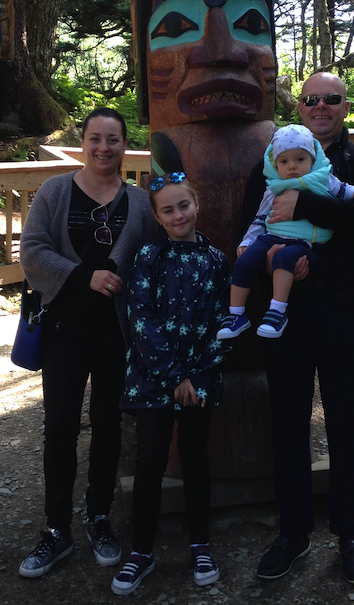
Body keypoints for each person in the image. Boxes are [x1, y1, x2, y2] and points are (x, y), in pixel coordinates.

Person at [241, 73, 354, 584]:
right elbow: (253, 232)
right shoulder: (269, 168)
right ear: (300, 106)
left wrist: (305, 203)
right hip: (285, 314)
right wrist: (270, 266)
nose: (321, 107)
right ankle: (293, 533)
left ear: (344, 106)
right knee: (287, 422)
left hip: (344, 308)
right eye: (312, 100)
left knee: (346, 420)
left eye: (331, 99)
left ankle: (351, 534)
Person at [17, 108, 157, 578]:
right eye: (95, 139)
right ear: (82, 143)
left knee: (108, 424)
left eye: (113, 139)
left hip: (116, 332)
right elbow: (32, 251)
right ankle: (56, 528)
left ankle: (99, 516)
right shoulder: (56, 192)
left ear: (123, 144)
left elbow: (156, 253)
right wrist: (84, 276)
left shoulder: (140, 201)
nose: (104, 148)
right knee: (59, 427)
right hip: (64, 329)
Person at [110, 172, 230, 596]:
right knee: (150, 462)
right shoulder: (149, 256)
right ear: (157, 216)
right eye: (168, 209)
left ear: (196, 205)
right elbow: (141, 319)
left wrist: (196, 375)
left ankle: (200, 543)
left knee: (196, 458)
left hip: (200, 378)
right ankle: (141, 550)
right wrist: (174, 376)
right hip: (153, 378)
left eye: (184, 205)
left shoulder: (216, 259)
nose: (178, 215)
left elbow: (224, 321)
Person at [217, 124, 354, 340]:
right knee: (243, 261)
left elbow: (346, 189)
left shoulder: (322, 178)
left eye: (300, 159)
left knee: (284, 258)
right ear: (275, 163)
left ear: (312, 159)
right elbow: (260, 217)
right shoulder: (273, 186)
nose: (292, 166)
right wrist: (247, 241)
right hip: (270, 236)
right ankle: (236, 315)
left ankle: (277, 312)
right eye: (284, 161)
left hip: (304, 241)